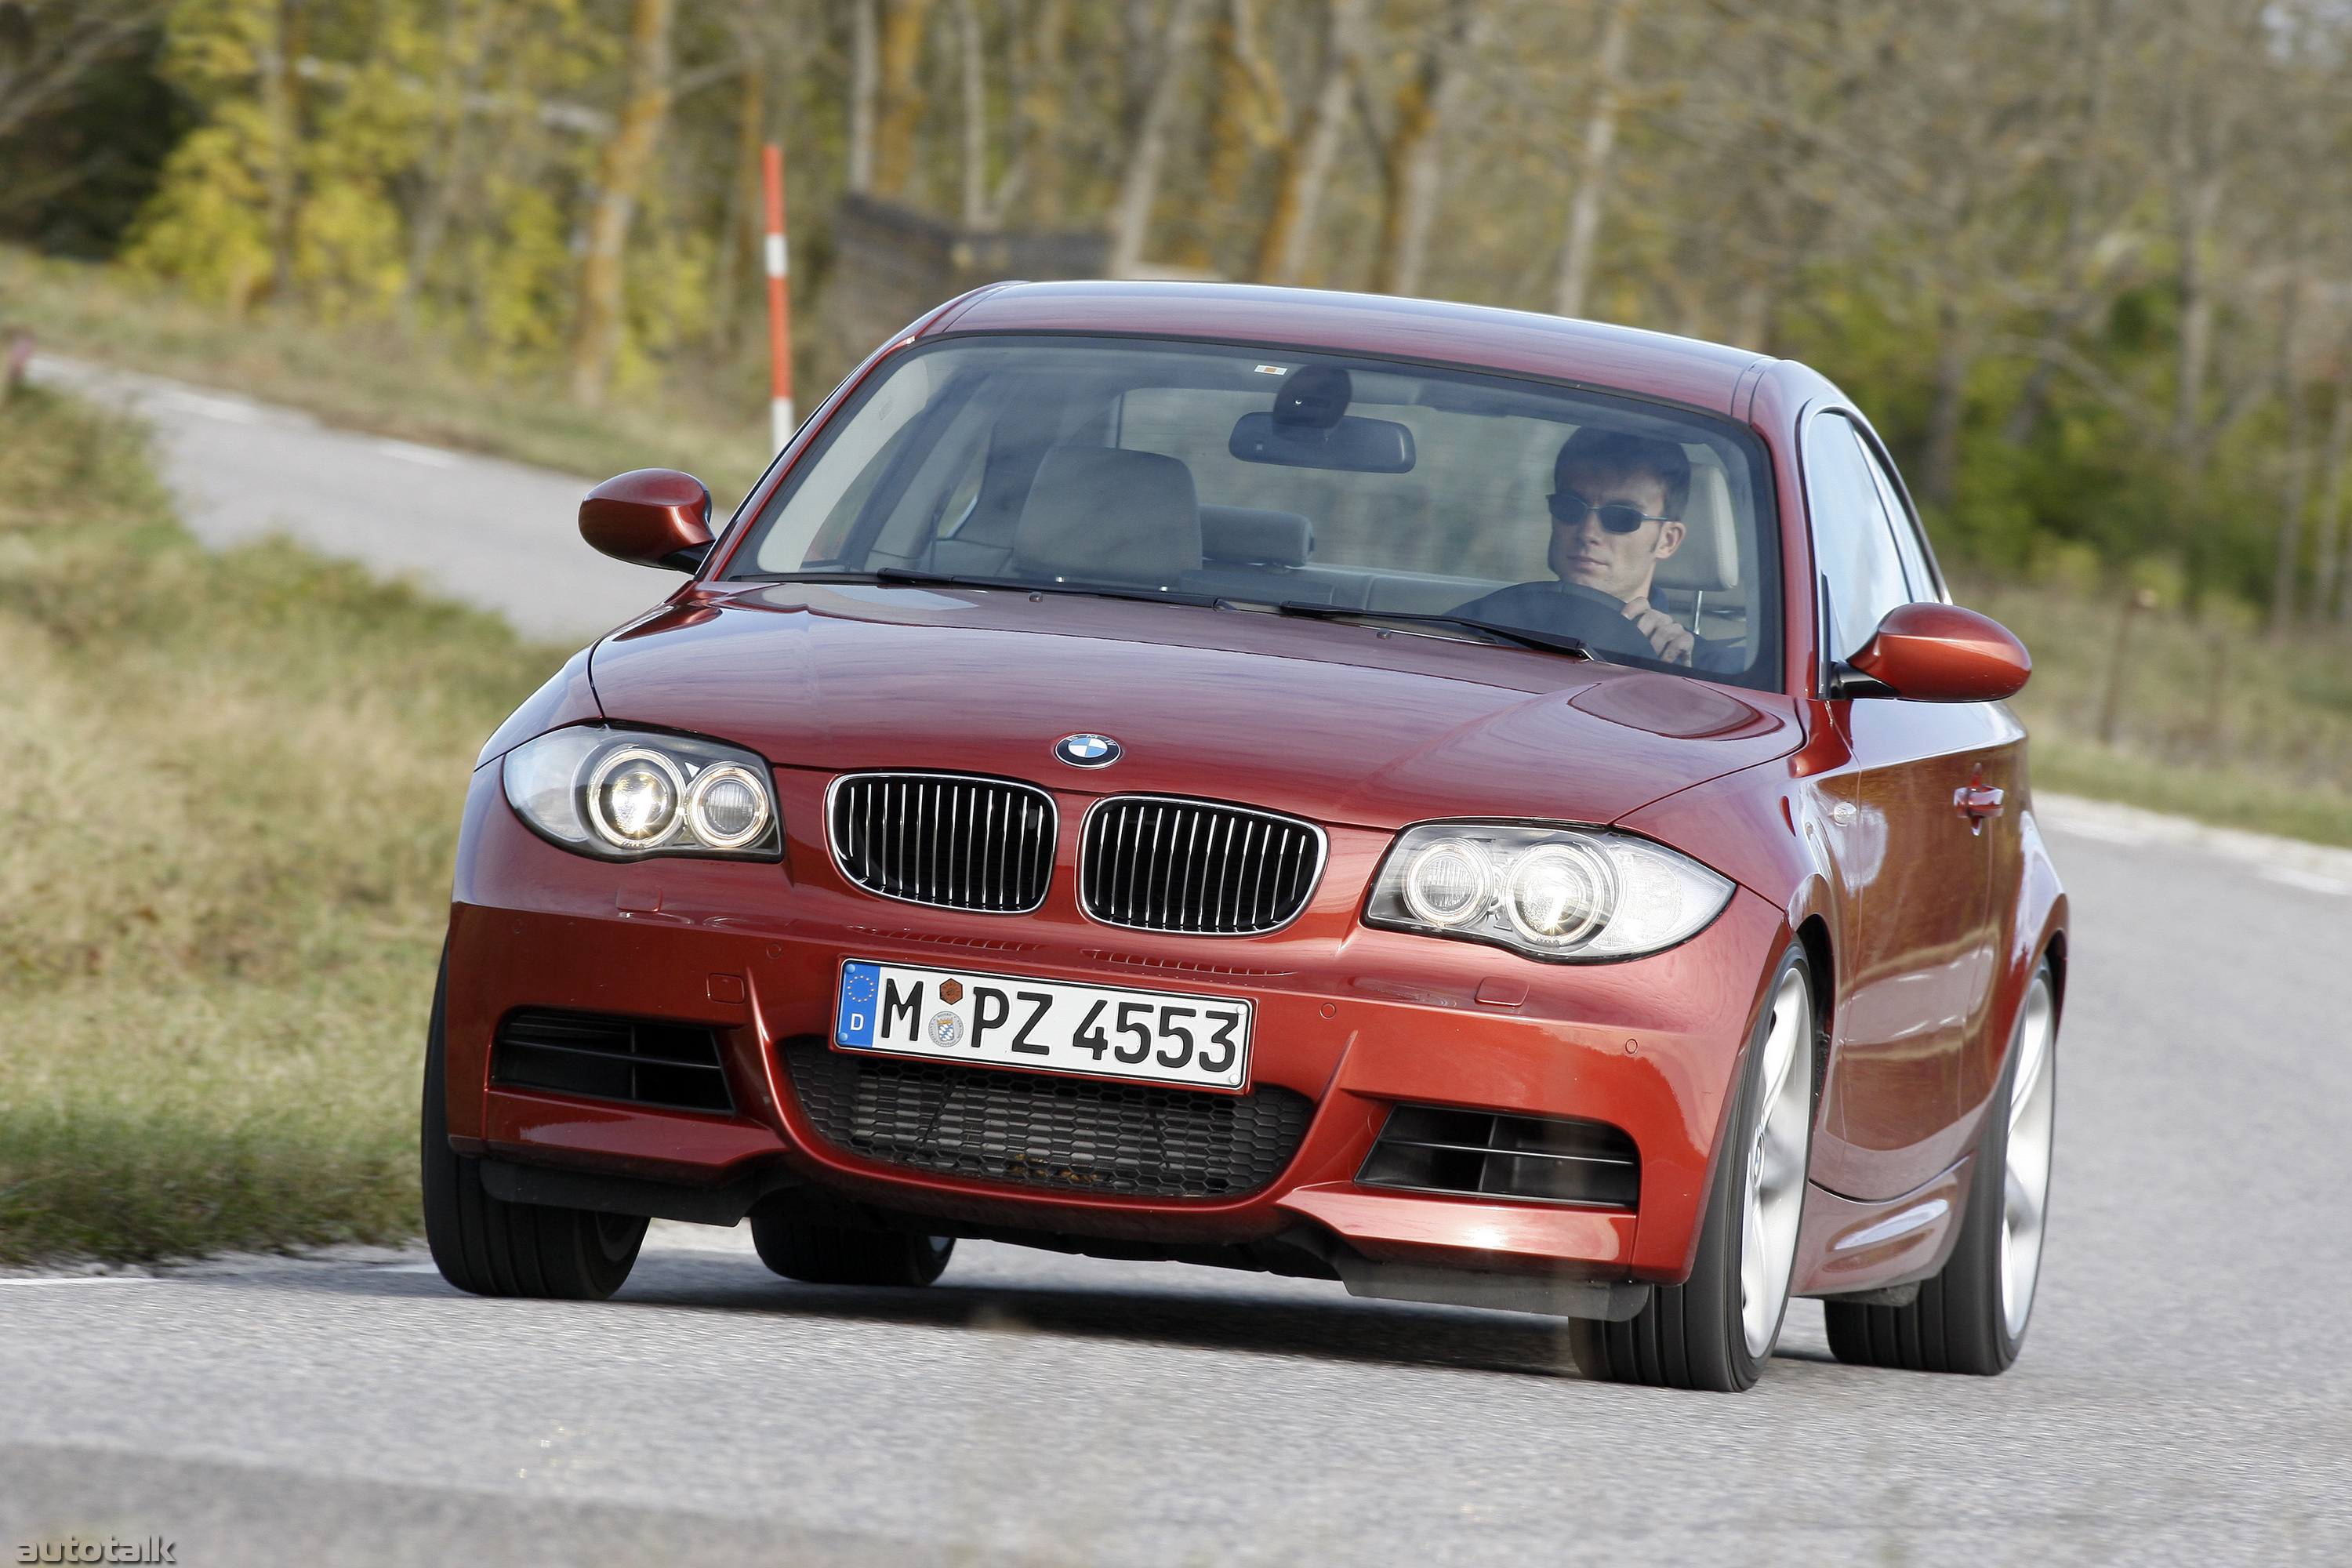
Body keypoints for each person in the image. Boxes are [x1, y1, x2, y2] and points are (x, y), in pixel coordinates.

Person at [1454, 427, 1715, 666]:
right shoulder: (1479, 624)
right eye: (1570, 507)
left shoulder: (1710, 668)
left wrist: (1676, 678)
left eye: (1622, 517)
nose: (1588, 532)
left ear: (1668, 540)